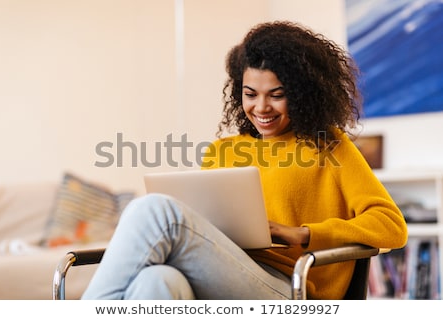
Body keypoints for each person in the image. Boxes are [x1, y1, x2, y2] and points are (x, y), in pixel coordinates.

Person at [82, 21, 407, 300]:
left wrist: (305, 234)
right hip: (224, 270)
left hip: (290, 287)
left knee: (153, 209)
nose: (261, 107)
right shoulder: (223, 150)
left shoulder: (328, 145)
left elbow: (392, 226)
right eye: (250, 94)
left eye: (276, 95)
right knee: (156, 282)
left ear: (304, 94)